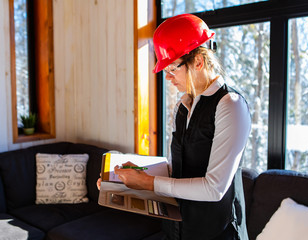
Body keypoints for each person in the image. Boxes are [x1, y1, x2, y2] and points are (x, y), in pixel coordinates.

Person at [97, 13, 251, 240]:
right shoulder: (182, 105)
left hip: (216, 232)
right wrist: (129, 177)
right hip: (179, 228)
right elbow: (176, 169)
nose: (168, 77)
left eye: (172, 69)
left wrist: (149, 182)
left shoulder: (230, 105)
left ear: (198, 61)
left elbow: (214, 188)